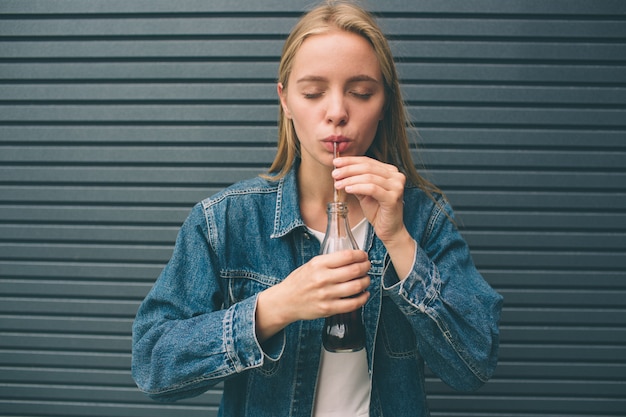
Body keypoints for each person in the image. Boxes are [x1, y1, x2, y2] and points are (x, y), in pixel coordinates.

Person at [131, 1, 503, 416]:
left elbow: (474, 363)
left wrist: (398, 239)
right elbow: (152, 365)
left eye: (361, 92)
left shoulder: (423, 219)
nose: (337, 112)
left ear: (383, 104)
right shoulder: (225, 221)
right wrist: (276, 307)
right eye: (312, 92)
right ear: (286, 100)